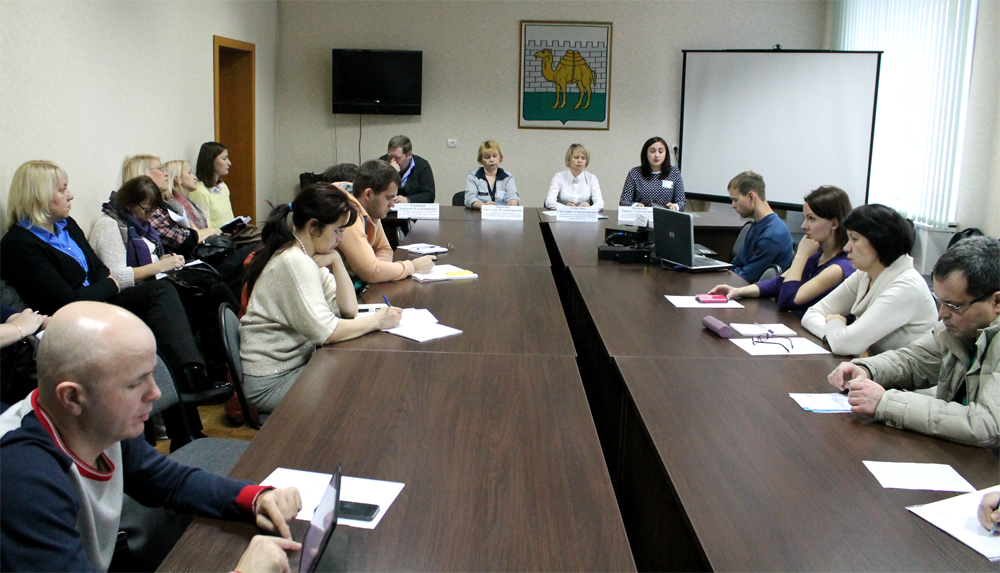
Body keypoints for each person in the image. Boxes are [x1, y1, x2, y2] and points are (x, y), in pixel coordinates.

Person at [0, 301, 303, 573]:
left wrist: (256, 497)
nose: (155, 393)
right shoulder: (22, 476)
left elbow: (169, 481)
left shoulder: (94, 422)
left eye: (151, 374)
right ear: (72, 397)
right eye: (135, 383)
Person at [0, 161, 221, 399]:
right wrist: (110, 284)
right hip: (71, 322)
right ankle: (183, 385)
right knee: (158, 303)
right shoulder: (19, 244)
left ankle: (189, 375)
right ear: (39, 196)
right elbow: (66, 302)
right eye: (62, 190)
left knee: (163, 290)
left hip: (100, 303)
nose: (71, 195)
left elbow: (100, 269)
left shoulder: (66, 225)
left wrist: (107, 284)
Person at [241, 184, 403, 413]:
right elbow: (326, 332)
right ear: (313, 227)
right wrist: (377, 321)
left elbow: (349, 309)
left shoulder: (306, 255)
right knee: (362, 387)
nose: (341, 238)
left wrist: (336, 260)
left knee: (362, 379)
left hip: (297, 366)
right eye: (337, 231)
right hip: (273, 382)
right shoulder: (295, 262)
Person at [827, 236, 1000, 450]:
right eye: (940, 301)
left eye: (954, 305)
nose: (942, 314)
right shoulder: (959, 326)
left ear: (996, 301)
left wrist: (886, 403)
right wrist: (867, 369)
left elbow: (986, 424)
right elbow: (913, 361)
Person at [803, 204, 937, 356]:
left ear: (880, 241)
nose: (847, 248)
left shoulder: (906, 286)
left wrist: (835, 322)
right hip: (877, 366)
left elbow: (846, 344)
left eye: (854, 239)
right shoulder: (865, 274)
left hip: (906, 371)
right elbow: (812, 314)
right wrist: (834, 335)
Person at [708, 186, 853, 316]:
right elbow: (779, 283)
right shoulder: (818, 255)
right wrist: (738, 291)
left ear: (834, 223)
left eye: (812, 219)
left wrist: (801, 256)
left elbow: (787, 300)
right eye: (805, 218)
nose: (804, 226)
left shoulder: (839, 267)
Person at [338, 160, 435, 283]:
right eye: (389, 198)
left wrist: (380, 269)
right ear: (368, 194)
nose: (392, 205)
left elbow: (384, 249)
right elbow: (371, 273)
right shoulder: (347, 213)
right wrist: (413, 267)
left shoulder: (371, 209)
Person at [124, 154, 222, 258]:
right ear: (145, 175)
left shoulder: (161, 203)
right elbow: (181, 239)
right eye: (160, 169)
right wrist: (211, 231)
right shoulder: (146, 208)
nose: (166, 173)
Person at [726, 171, 794, 282]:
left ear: (751, 197)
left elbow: (747, 277)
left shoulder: (772, 235)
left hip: (752, 290)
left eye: (735, 200)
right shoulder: (758, 224)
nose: (733, 205)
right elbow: (738, 262)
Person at [618, 137, 685, 210]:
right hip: (641, 215)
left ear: (666, 154)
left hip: (665, 215)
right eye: (652, 151)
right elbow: (624, 201)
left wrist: (675, 206)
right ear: (646, 154)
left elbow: (681, 202)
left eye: (661, 151)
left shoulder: (674, 172)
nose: (657, 155)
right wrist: (636, 205)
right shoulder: (635, 173)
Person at [189, 141, 237, 228]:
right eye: (224, 159)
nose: (229, 163)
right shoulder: (199, 191)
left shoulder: (223, 187)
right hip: (216, 236)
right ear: (210, 161)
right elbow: (204, 227)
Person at [545, 143, 604, 210]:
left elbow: (600, 203)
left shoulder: (592, 178)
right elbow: (549, 201)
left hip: (585, 215)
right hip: (564, 214)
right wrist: (566, 208)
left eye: (583, 158)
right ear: (569, 159)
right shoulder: (559, 177)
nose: (580, 161)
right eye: (576, 157)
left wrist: (589, 209)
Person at [378, 135, 435, 203]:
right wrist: (389, 175)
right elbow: (374, 193)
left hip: (413, 208)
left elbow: (429, 195)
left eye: (397, 157)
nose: (392, 161)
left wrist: (407, 200)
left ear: (409, 154)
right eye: (390, 156)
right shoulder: (380, 164)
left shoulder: (422, 165)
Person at [464, 140, 520, 209]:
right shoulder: (473, 176)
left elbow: (513, 197)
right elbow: (469, 199)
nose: (492, 160)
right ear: (481, 160)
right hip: (479, 213)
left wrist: (511, 204)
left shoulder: (507, 177)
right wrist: (484, 206)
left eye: (495, 156)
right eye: (487, 157)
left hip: (502, 213)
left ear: (500, 157)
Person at [163, 159, 211, 231]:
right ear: (178, 179)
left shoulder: (186, 200)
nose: (195, 177)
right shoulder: (175, 203)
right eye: (189, 173)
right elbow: (192, 231)